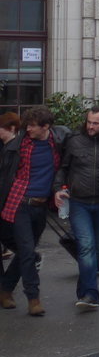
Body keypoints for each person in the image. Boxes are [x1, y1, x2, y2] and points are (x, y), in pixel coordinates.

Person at [55, 106, 99, 310]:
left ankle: (84, 291)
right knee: (85, 246)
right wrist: (59, 188)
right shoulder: (75, 141)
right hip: (80, 203)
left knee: (96, 248)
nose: (91, 126)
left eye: (96, 123)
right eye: (89, 122)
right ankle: (90, 294)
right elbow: (63, 167)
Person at [0, 106, 67, 317]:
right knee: (28, 251)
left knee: (24, 252)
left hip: (41, 206)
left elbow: (82, 138)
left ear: (46, 127)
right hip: (19, 203)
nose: (27, 129)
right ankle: (33, 298)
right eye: (26, 125)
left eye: (31, 126)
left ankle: (5, 289)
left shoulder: (58, 140)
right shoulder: (19, 144)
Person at [0, 112, 20, 265]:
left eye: (1, 128)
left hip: (7, 200)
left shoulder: (13, 149)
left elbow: (7, 179)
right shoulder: (6, 147)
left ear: (12, 128)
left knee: (8, 235)